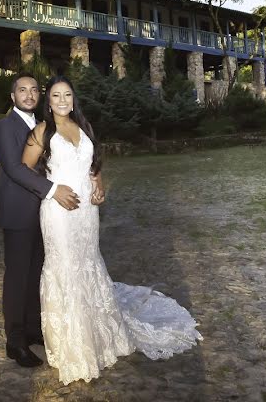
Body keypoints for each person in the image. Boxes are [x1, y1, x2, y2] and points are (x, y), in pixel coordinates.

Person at [22, 75, 203, 385]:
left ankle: (100, 333)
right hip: (59, 213)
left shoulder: (84, 128)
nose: (63, 100)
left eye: (67, 94)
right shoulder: (42, 132)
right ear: (47, 102)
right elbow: (25, 170)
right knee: (65, 268)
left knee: (88, 264)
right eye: (56, 95)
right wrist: (52, 190)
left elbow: (93, 165)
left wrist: (99, 187)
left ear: (73, 98)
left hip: (87, 214)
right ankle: (73, 346)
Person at [0, 72, 80, 368]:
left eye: (33, 90)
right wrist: (53, 190)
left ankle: (31, 329)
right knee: (17, 277)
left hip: (45, 214)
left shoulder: (47, 125)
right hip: (18, 211)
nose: (29, 95)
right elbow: (15, 169)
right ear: (12, 96)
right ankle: (14, 341)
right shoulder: (5, 126)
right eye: (22, 90)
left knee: (36, 273)